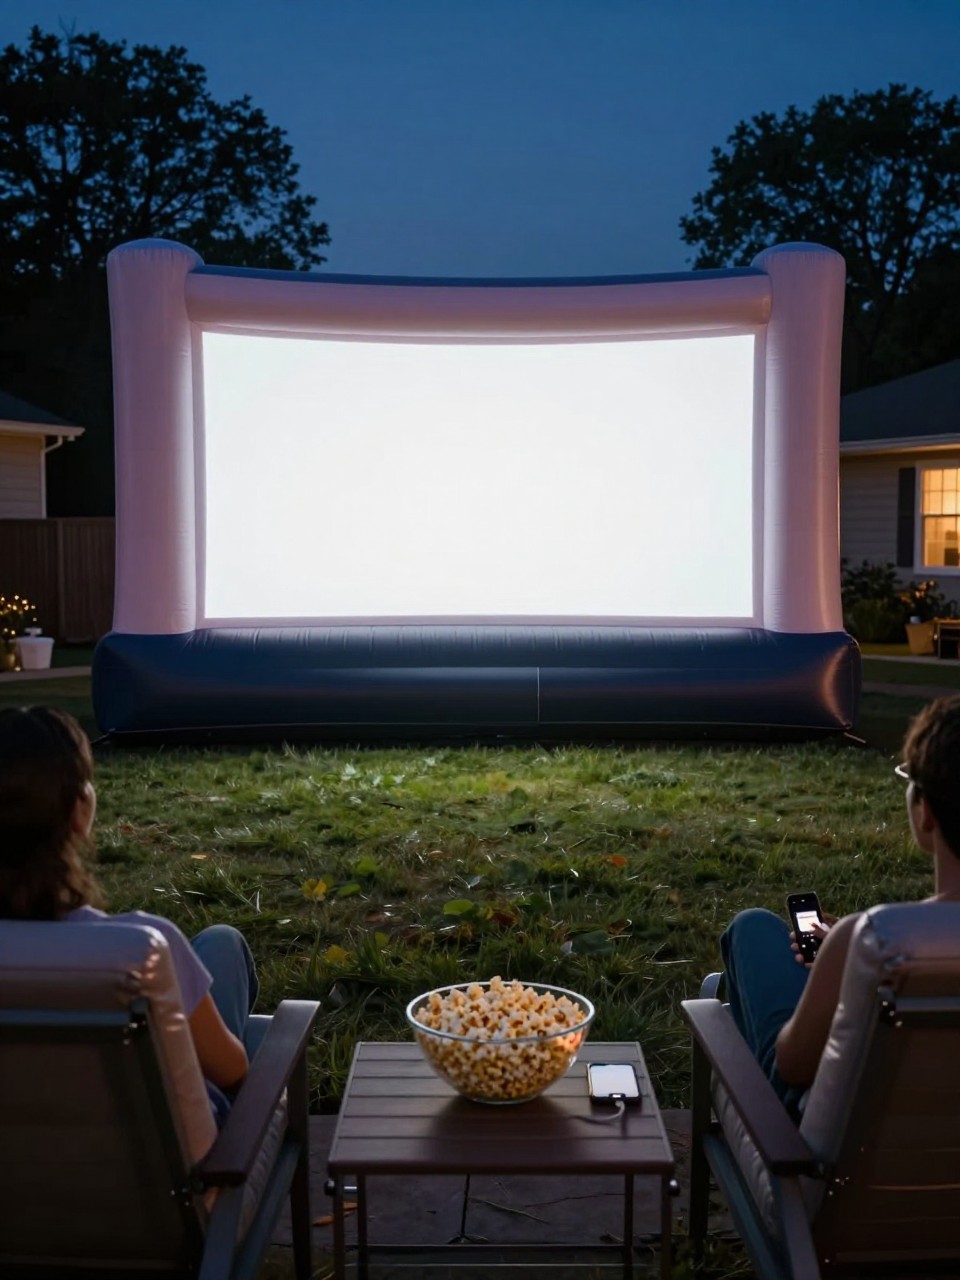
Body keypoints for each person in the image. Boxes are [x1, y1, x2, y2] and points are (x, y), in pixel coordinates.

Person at [0, 705, 260, 1122]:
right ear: (79, 811)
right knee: (232, 966)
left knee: (220, 943)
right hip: (179, 1174)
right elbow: (233, 1071)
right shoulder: (143, 950)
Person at [718, 694, 960, 1115]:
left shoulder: (870, 940)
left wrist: (841, 958)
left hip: (836, 1161)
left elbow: (792, 1066)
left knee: (752, 927)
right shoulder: (870, 940)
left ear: (927, 814)